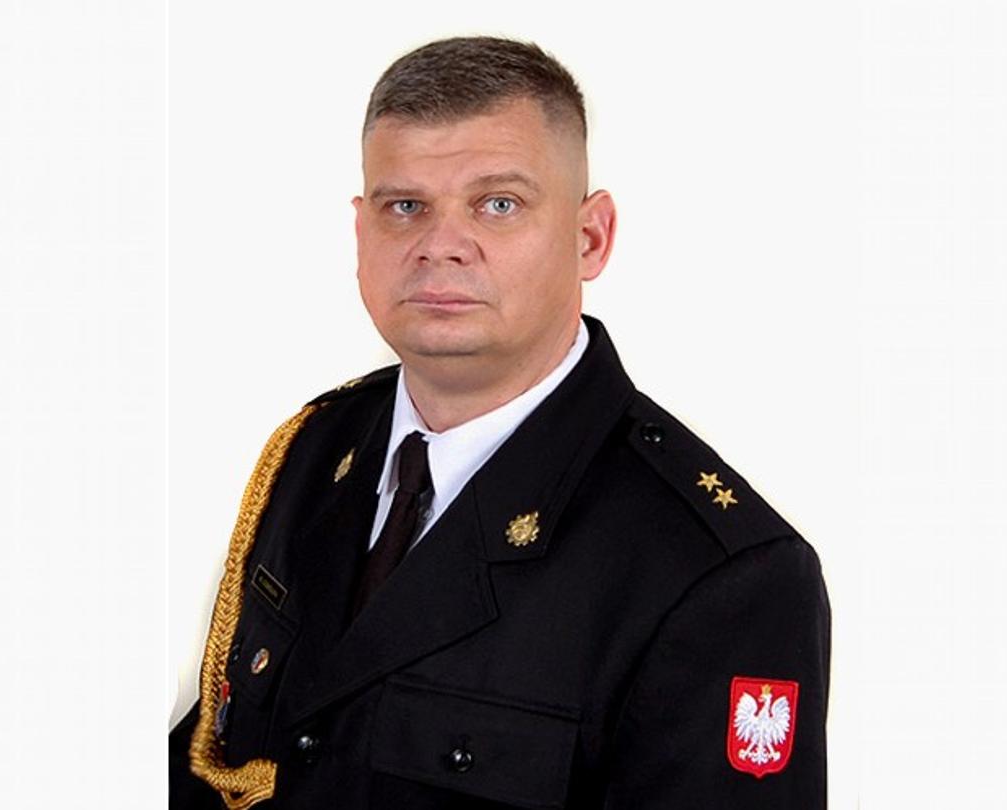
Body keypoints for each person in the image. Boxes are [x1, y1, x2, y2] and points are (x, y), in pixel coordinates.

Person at [171, 36, 831, 809]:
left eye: (498, 204)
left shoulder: (721, 575)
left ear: (590, 238)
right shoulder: (315, 450)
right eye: (405, 207)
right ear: (361, 232)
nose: (440, 246)